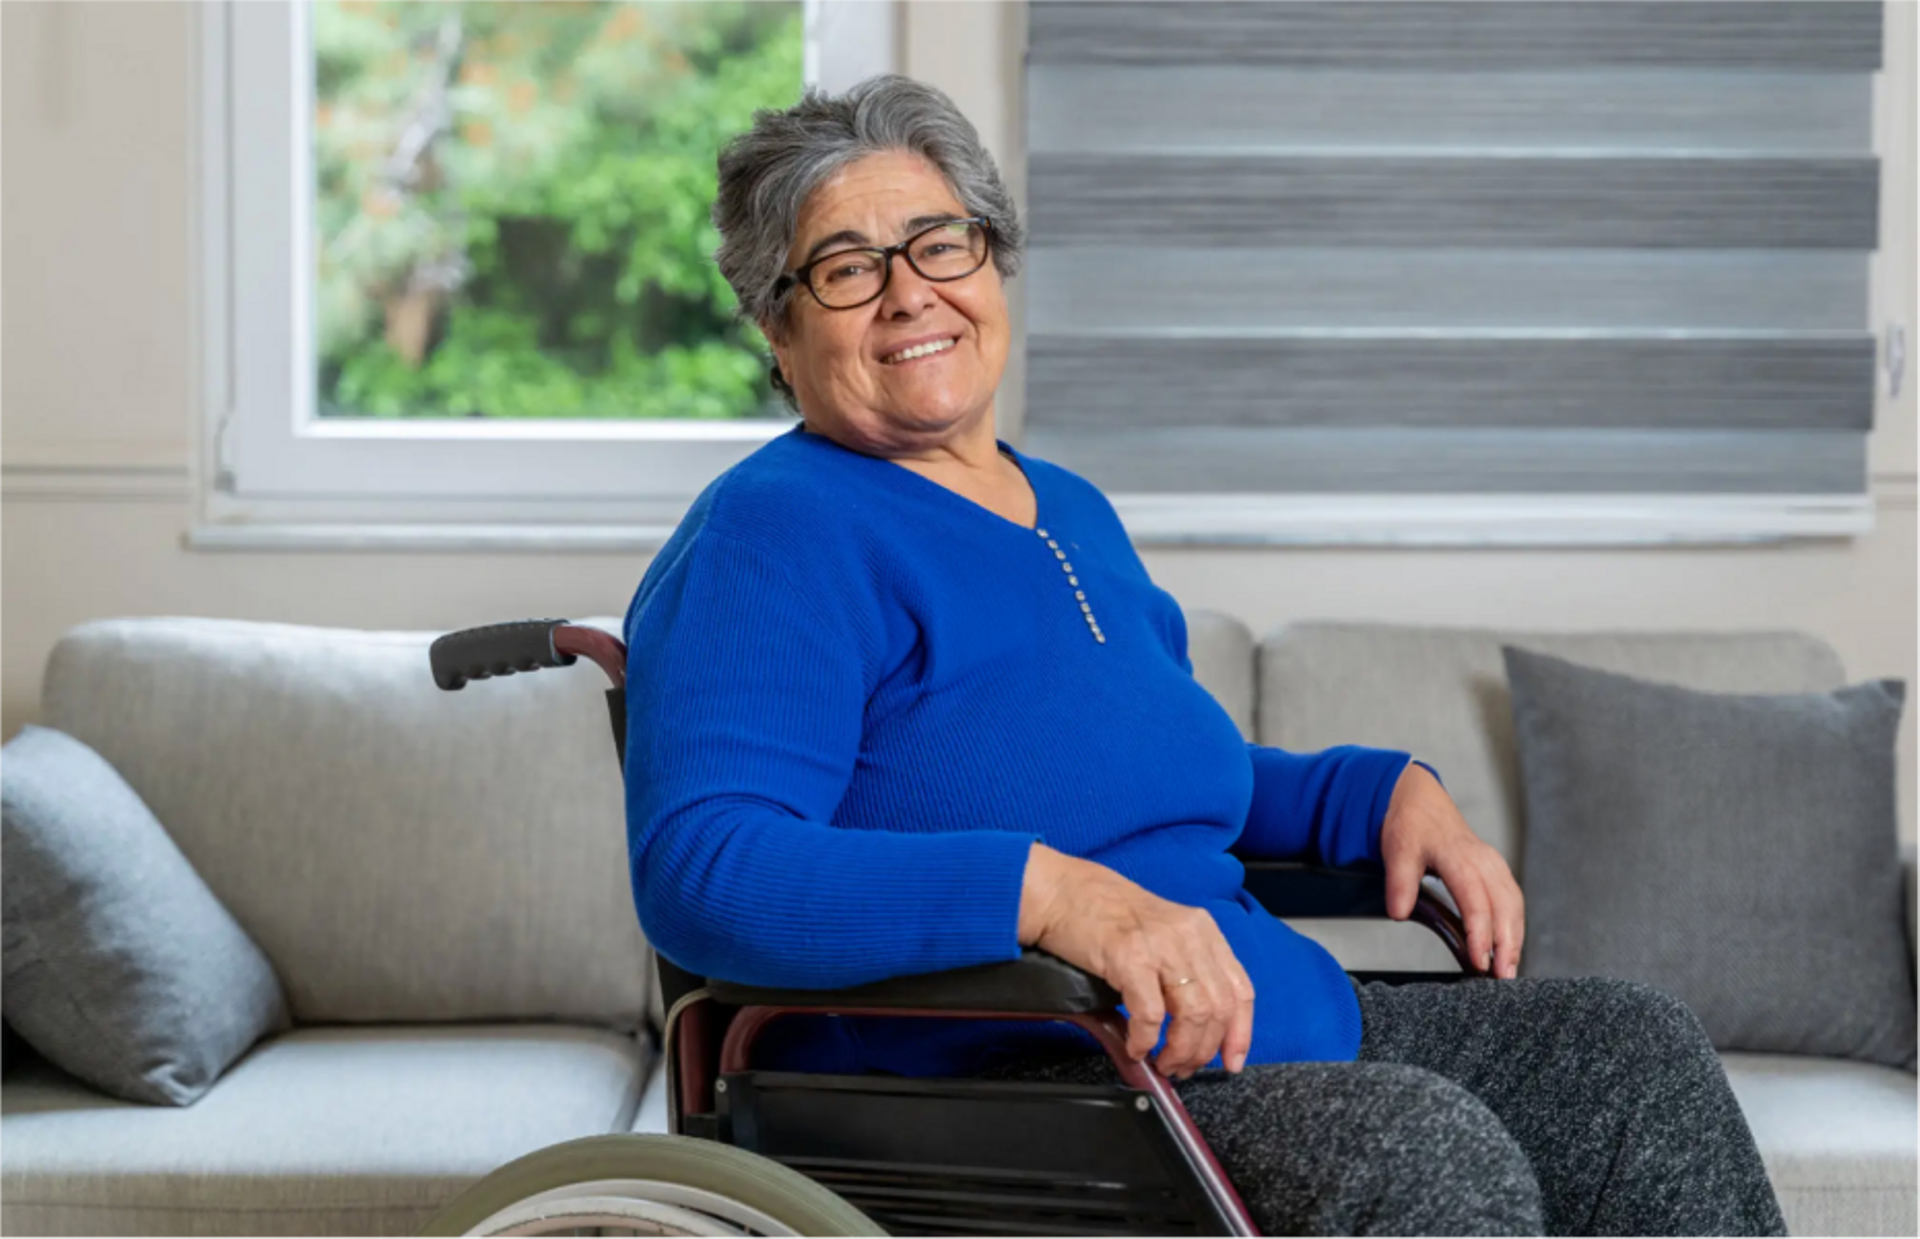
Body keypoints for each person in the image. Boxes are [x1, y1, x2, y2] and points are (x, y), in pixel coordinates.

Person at [621, 75, 1788, 1239]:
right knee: (1421, 1154)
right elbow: (706, 867)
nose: (908, 294)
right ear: (778, 324)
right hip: (1008, 1076)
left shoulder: (1065, 507)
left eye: (940, 244)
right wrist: (1050, 892)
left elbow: (1166, 775)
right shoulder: (777, 531)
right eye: (846, 267)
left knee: (1629, 1054)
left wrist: (1373, 792)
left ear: (993, 262)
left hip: (1243, 1027)